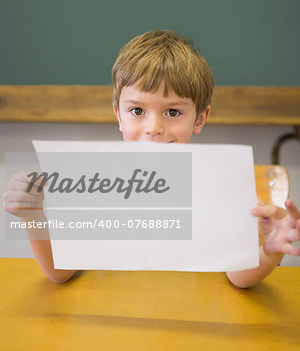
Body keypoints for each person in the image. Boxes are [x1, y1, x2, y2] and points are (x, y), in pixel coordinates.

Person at [3, 30, 300, 286]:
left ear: (199, 118)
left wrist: (269, 252)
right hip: (108, 329)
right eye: (137, 111)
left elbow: (238, 276)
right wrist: (33, 216)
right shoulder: (95, 186)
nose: (154, 128)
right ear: (119, 114)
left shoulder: (220, 187)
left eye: (173, 112)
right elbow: (60, 272)